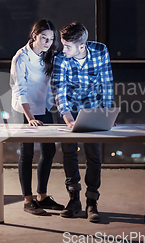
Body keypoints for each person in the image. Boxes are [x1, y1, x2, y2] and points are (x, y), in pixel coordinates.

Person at [52, 22, 114, 222]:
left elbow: (106, 82)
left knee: (93, 154)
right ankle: (74, 199)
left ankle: (92, 202)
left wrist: (105, 114)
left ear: (81, 46)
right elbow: (59, 89)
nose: (63, 50)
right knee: (69, 153)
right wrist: (68, 118)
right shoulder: (61, 59)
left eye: (67, 46)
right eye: (63, 45)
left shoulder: (100, 51)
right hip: (69, 111)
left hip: (93, 109)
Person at [10, 19, 65, 215]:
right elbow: (20, 90)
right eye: (44, 38)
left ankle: (42, 197)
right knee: (26, 154)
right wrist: (30, 117)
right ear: (34, 36)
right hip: (24, 110)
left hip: (43, 107)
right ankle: (28, 200)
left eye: (51, 39)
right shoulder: (21, 58)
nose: (48, 42)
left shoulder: (49, 55)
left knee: (49, 151)